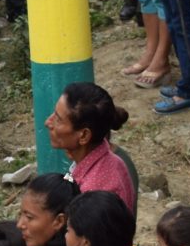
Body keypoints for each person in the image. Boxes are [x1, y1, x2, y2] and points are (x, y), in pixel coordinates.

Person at [44, 84, 136, 217]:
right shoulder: (105, 159)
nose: (48, 122)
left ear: (84, 136)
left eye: (58, 119)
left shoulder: (91, 195)